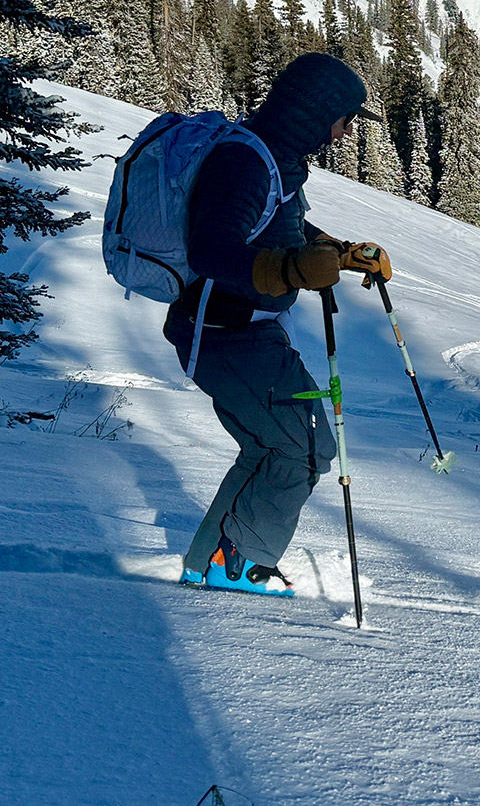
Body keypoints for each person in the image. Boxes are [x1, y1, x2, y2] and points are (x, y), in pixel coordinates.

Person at [168, 52, 393, 596]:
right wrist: (289, 268)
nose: (344, 133)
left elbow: (277, 221)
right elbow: (210, 249)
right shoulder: (244, 160)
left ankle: (211, 562)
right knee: (305, 445)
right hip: (223, 333)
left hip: (247, 331)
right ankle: (238, 567)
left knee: (281, 444)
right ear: (316, 113)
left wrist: (338, 252)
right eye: (343, 119)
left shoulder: (275, 158)